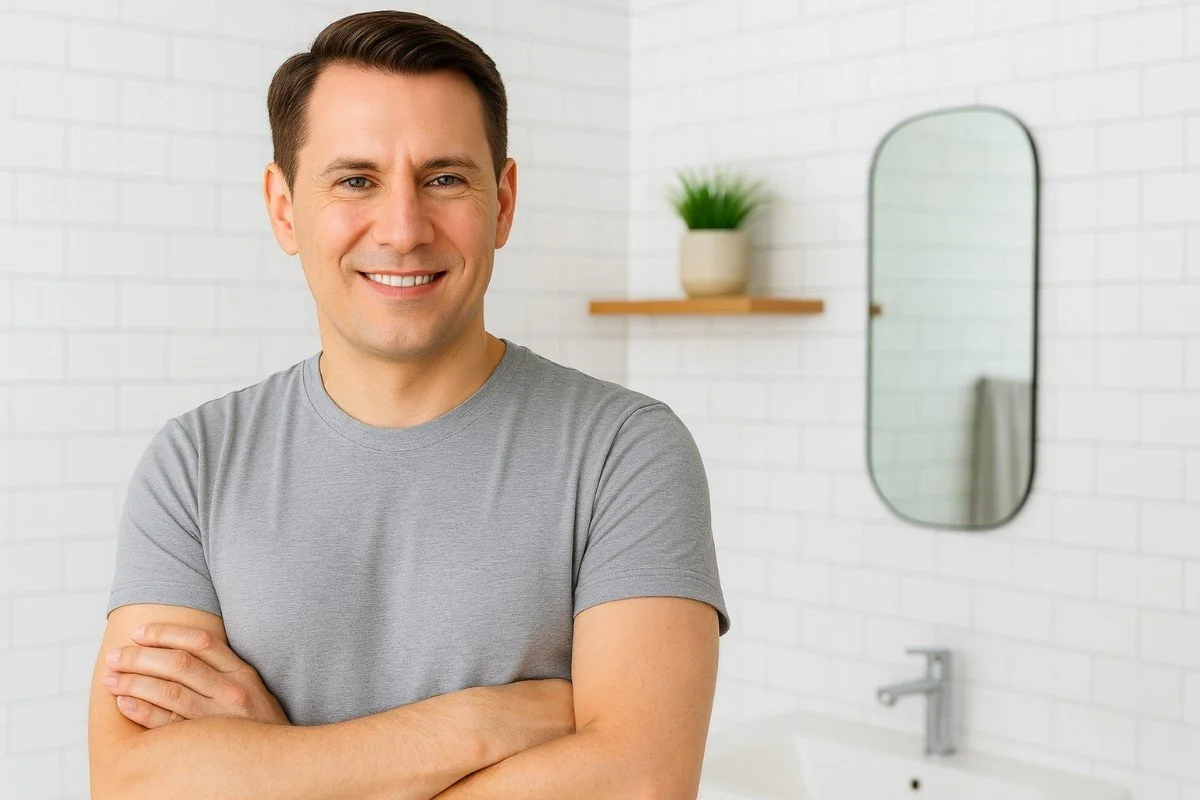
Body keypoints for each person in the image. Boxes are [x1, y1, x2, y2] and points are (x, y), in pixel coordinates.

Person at [88, 10, 730, 800]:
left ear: (504, 202)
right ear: (284, 208)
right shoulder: (195, 463)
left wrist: (272, 764)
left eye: (444, 179)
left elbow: (641, 783)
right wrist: (474, 728)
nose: (402, 229)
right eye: (356, 180)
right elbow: (132, 783)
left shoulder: (625, 452)